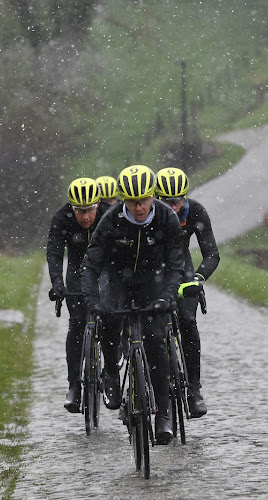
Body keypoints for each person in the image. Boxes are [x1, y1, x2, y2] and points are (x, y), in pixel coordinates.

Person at [81, 165, 184, 445]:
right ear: (123, 200)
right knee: (110, 319)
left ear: (153, 197)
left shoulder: (165, 218)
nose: (139, 208)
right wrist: (92, 300)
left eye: (144, 201)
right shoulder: (111, 220)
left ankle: (163, 413)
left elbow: (177, 265)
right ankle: (112, 374)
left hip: (154, 280)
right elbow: (91, 265)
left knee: (155, 342)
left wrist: (168, 295)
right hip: (117, 278)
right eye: (132, 202)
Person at [155, 167, 220, 418]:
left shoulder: (196, 211)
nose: (172, 208)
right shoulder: (149, 215)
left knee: (188, 322)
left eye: (177, 202)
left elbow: (212, 253)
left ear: (185, 197)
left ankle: (194, 389)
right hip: (154, 272)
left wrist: (199, 278)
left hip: (182, 270)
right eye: (165, 202)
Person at [46, 177, 111, 413]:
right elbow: (54, 253)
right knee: (76, 324)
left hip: (104, 270)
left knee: (110, 321)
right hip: (76, 270)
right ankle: (74, 385)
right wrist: (57, 283)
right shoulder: (62, 217)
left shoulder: (108, 214)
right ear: (71, 207)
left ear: (98, 205)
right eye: (79, 211)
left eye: (90, 210)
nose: (85, 217)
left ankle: (110, 373)